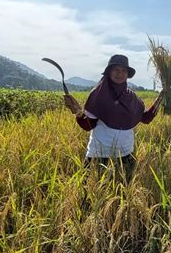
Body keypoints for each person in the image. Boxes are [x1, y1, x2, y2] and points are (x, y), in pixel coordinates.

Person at [64, 54, 163, 182]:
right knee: (92, 195)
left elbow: (145, 118)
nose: (120, 73)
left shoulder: (131, 97)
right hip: (100, 155)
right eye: (116, 70)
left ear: (127, 74)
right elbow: (87, 125)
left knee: (124, 193)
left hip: (126, 154)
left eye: (123, 71)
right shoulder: (98, 95)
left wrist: (161, 98)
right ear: (109, 72)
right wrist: (76, 110)